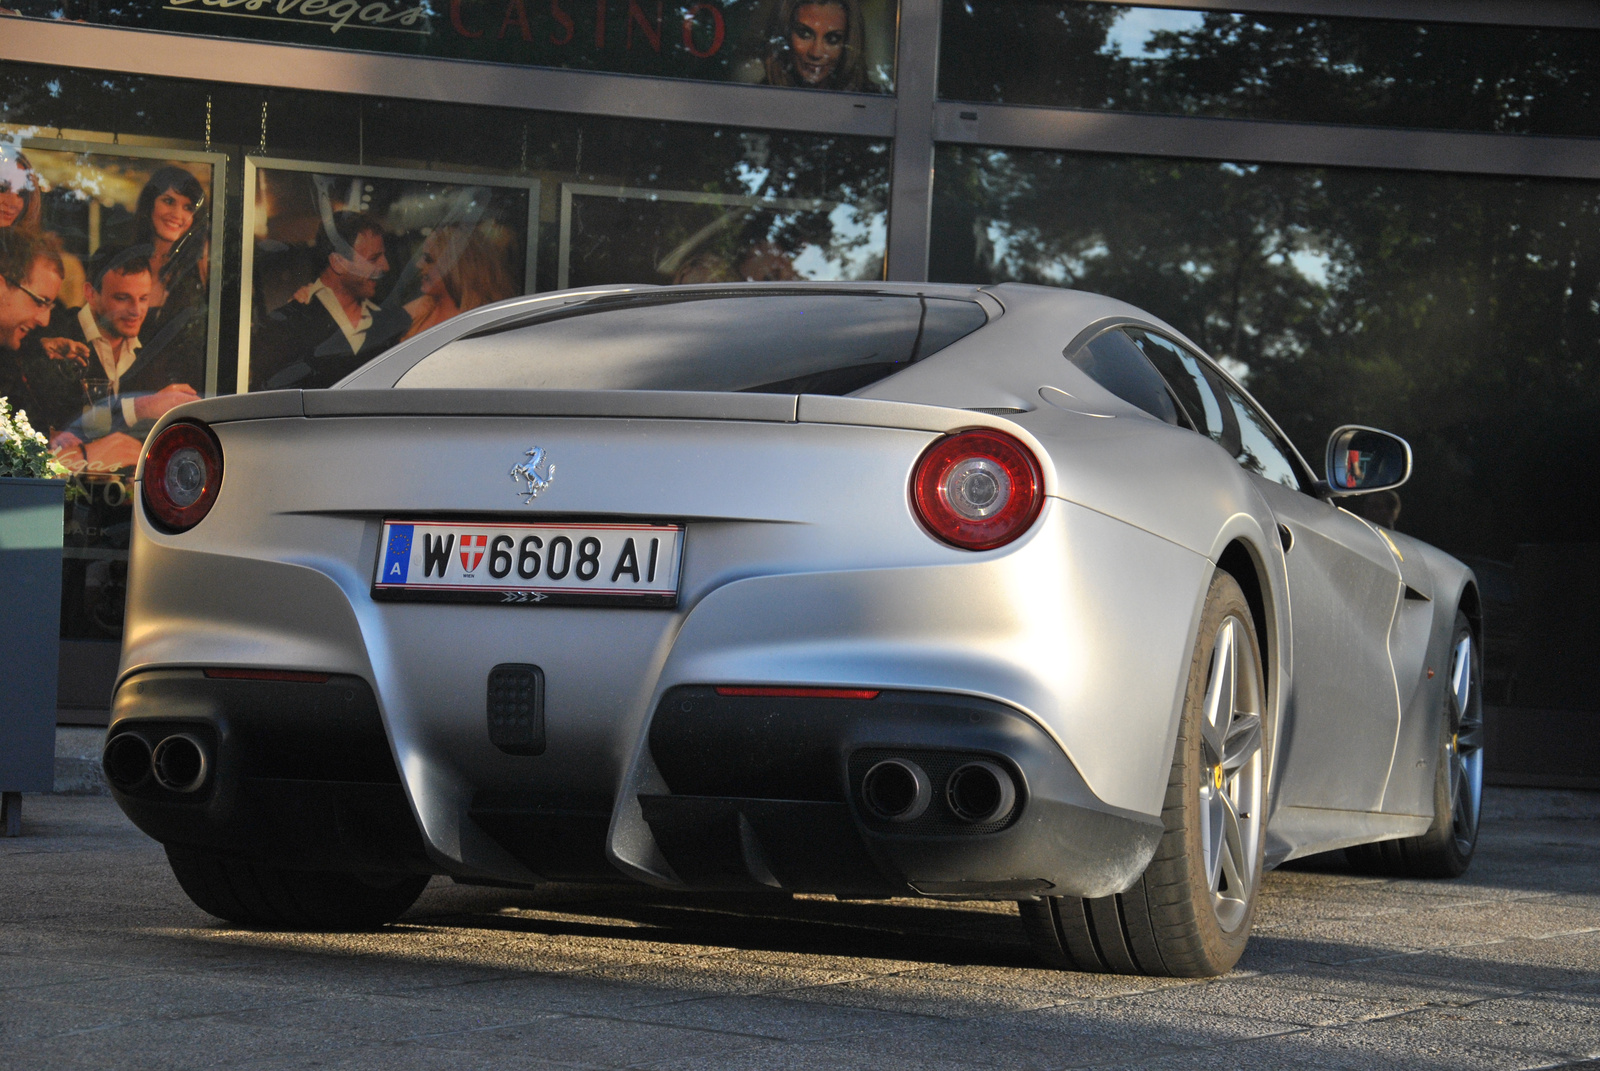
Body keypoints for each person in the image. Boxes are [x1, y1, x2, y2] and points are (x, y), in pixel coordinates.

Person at [31, 246, 200, 472]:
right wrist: (142, 406)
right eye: (123, 298)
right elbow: (60, 433)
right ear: (91, 294)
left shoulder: (155, 346)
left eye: (144, 298)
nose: (137, 310)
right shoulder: (50, 337)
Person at [250, 210, 411, 391]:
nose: (386, 266)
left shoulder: (392, 319)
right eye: (374, 258)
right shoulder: (283, 326)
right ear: (338, 263)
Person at [129, 166, 210, 395]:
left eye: (187, 207)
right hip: (129, 401)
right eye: (168, 201)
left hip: (185, 401)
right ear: (150, 204)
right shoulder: (124, 263)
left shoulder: (201, 270)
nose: (177, 214)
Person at [401, 221, 518, 341]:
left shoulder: (489, 321)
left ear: (457, 268)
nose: (418, 265)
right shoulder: (414, 312)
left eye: (429, 259)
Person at [759, 0, 868, 92]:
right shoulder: (755, 96)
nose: (816, 53)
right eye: (804, 34)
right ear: (785, 34)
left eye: (832, 39)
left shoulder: (876, 101)